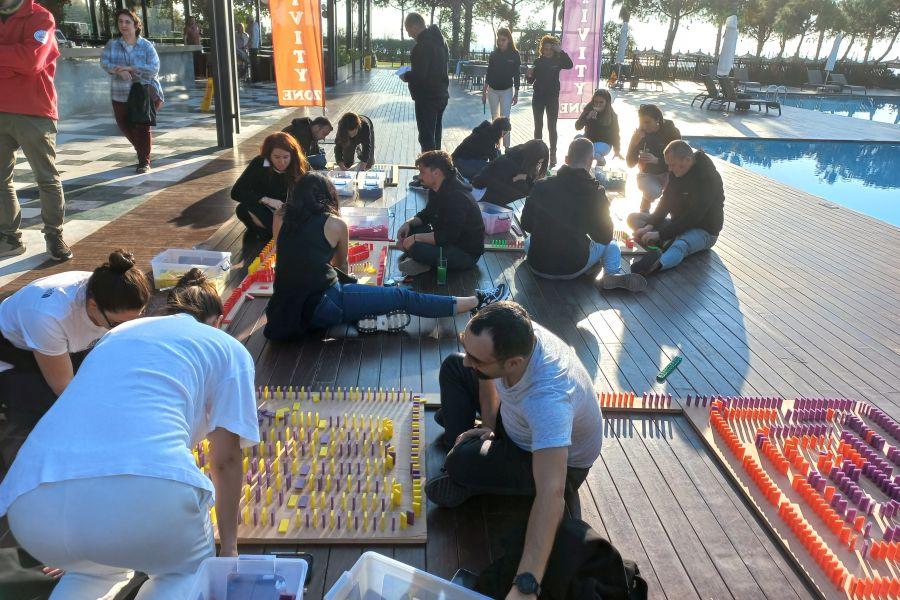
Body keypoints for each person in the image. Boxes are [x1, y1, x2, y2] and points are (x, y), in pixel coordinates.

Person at [0, 270, 259, 598]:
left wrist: (78, 536)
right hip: (145, 493)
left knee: (91, 573)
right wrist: (230, 549)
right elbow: (226, 461)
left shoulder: (117, 335)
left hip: (32, 504)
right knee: (184, 573)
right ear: (218, 321)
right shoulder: (226, 347)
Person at [426, 302, 603, 598]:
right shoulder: (513, 331)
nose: (470, 361)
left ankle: (464, 470)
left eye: (476, 358)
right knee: (454, 366)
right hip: (516, 424)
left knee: (459, 462)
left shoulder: (548, 399)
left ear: (513, 363)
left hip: (553, 461)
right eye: (467, 346)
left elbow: (551, 494)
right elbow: (486, 377)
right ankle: (469, 451)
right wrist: (490, 426)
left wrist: (526, 584)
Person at [263, 170, 508, 340]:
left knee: (366, 298)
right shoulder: (334, 224)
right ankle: (477, 301)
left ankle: (366, 315)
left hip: (284, 309)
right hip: (324, 305)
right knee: (402, 296)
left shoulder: (280, 215)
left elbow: (286, 253)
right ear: (328, 195)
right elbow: (340, 265)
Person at [0, 249, 150, 426]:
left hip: (61, 339)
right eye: (117, 323)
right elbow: (64, 389)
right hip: (12, 346)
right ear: (93, 305)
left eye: (139, 316)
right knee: (58, 408)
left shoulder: (111, 286)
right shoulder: (50, 316)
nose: (126, 328)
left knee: (110, 380)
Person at [521, 138, 646, 291]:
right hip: (572, 268)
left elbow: (526, 224)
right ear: (592, 161)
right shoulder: (596, 192)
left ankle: (592, 268)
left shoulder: (540, 185)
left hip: (537, 265)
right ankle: (613, 273)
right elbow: (605, 236)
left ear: (566, 159)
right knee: (612, 243)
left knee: (528, 240)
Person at [0, 0, 71, 261]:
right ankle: (9, 238)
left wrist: (16, 62)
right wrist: (13, 59)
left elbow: (31, 61)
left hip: (35, 110)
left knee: (46, 178)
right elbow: (22, 60)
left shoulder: (41, 17)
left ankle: (54, 235)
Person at [628, 140, 724, 276]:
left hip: (704, 230)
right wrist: (649, 226)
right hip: (678, 224)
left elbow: (693, 217)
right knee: (634, 219)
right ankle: (666, 241)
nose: (669, 169)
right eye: (668, 165)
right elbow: (665, 201)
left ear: (687, 160)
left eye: (672, 165)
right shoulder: (676, 171)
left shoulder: (708, 178)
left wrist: (660, 234)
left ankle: (654, 265)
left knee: (681, 245)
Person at [396, 151, 485, 277]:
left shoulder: (457, 198)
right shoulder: (436, 188)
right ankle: (422, 260)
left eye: (422, 172)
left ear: (436, 173)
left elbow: (447, 236)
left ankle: (421, 260)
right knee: (411, 231)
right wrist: (408, 223)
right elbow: (426, 215)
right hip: (448, 242)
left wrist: (414, 239)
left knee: (416, 247)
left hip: (465, 253)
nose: (419, 177)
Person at [100, 9, 164, 174]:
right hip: (120, 93)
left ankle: (144, 161)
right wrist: (118, 71)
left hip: (144, 92)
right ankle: (142, 151)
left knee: (141, 127)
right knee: (125, 125)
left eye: (127, 22)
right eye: (120, 21)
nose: (123, 25)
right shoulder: (112, 44)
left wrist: (130, 68)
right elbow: (104, 62)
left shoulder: (146, 46)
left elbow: (154, 68)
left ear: (136, 25)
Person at [231, 132, 305, 240]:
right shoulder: (259, 163)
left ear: (292, 155)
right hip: (267, 210)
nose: (282, 162)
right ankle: (274, 231)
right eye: (276, 157)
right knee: (242, 209)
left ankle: (273, 232)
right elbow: (236, 192)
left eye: (286, 157)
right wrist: (265, 199)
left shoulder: (298, 164)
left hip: (291, 212)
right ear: (268, 155)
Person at [401, 13, 449, 153]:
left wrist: (405, 75)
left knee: (426, 138)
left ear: (415, 27)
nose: (409, 34)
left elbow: (420, 75)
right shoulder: (441, 41)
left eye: (409, 30)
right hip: (441, 95)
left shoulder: (422, 46)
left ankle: (428, 166)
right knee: (436, 136)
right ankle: (438, 164)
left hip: (426, 98)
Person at [526, 35, 572, 169]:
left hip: (552, 98)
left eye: (550, 49)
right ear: (542, 49)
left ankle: (553, 154)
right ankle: (538, 153)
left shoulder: (558, 60)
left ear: (554, 50)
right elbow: (530, 81)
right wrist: (528, 75)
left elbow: (570, 65)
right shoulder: (537, 62)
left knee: (552, 127)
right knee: (538, 126)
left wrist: (560, 51)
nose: (548, 52)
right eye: (545, 49)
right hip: (538, 98)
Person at [625, 103, 680, 212]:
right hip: (647, 174)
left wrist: (656, 160)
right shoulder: (640, 134)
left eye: (647, 122)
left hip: (669, 172)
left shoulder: (671, 132)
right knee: (653, 192)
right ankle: (646, 202)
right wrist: (634, 142)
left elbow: (678, 161)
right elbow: (630, 163)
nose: (644, 126)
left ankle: (669, 212)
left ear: (657, 120)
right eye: (641, 122)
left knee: (677, 193)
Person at [471, 139, 547, 207]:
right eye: (538, 163)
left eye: (540, 163)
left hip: (486, 189)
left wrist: (524, 178)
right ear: (531, 158)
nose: (538, 166)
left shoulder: (518, 158)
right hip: (481, 192)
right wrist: (519, 179)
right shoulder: (512, 164)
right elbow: (524, 190)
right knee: (522, 192)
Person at [483, 27, 520, 151]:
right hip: (492, 90)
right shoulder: (494, 54)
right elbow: (489, 73)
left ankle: (507, 147)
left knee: (505, 119)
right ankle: (496, 146)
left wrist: (516, 93)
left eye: (503, 40)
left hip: (507, 91)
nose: (501, 42)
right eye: (499, 40)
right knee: (495, 119)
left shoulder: (515, 54)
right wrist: (484, 92)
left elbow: (517, 74)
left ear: (509, 40)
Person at [574, 88, 622, 165]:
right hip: (589, 139)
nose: (598, 105)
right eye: (596, 102)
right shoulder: (589, 109)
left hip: (604, 143)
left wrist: (617, 150)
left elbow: (615, 134)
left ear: (607, 103)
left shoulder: (612, 115)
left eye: (601, 102)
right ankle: (581, 166)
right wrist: (587, 117)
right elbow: (577, 126)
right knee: (577, 139)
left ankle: (600, 160)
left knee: (590, 150)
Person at [248, 17, 260, 82]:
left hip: (253, 46)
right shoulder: (256, 25)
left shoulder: (253, 27)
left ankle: (255, 79)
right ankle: (255, 78)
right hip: (255, 46)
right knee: (254, 63)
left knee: (253, 63)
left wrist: (249, 44)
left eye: (248, 22)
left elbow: (252, 37)